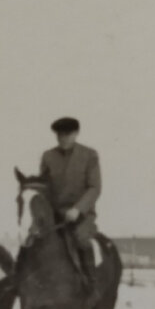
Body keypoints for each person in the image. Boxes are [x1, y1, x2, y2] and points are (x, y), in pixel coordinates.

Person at [38, 117, 102, 290]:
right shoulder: (48, 156)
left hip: (81, 216)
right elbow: (44, 188)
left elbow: (94, 188)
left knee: (81, 239)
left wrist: (77, 209)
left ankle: (90, 284)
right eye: (59, 135)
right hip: (54, 216)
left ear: (76, 133)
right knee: (34, 239)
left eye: (67, 134)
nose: (63, 138)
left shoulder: (89, 155)